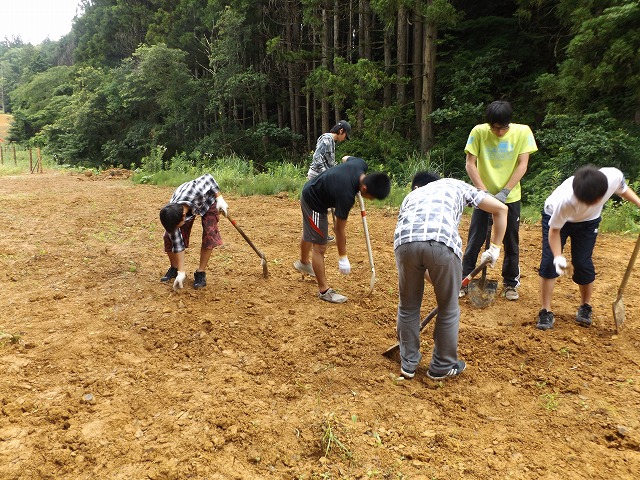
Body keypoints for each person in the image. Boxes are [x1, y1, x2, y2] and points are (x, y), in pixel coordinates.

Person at [394, 172, 507, 380]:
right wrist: (495, 248)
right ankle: (441, 367)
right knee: (448, 308)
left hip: (405, 244)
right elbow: (501, 209)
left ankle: (408, 363)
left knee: (408, 306)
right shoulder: (455, 184)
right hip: (442, 243)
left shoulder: (410, 197)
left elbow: (420, 254)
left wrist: (442, 280)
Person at [536, 165, 640, 330]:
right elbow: (554, 231)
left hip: (588, 223)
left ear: (601, 195)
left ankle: (585, 307)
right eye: (581, 200)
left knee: (583, 263)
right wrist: (558, 257)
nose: (583, 204)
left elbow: (623, 189)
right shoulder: (566, 202)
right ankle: (545, 310)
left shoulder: (613, 177)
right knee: (549, 263)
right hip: (556, 219)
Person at [461, 100, 538, 301]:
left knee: (511, 241)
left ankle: (511, 283)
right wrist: (483, 191)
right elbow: (470, 164)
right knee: (475, 239)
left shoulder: (522, 132)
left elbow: (522, 165)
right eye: (496, 128)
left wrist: (505, 191)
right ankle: (464, 280)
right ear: (489, 124)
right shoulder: (478, 132)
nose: (500, 132)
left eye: (504, 128)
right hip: (483, 197)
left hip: (510, 197)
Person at [294, 156, 390, 303]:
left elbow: (345, 158)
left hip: (317, 189)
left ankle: (303, 263)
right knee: (319, 246)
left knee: (312, 232)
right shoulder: (346, 196)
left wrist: (338, 176)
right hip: (313, 201)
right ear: (364, 188)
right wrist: (343, 257)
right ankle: (324, 291)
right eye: (371, 198)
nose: (370, 200)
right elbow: (338, 229)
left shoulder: (360, 164)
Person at [159, 173, 229, 291]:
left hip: (208, 201)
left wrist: (219, 198)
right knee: (168, 237)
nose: (176, 229)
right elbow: (177, 243)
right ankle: (175, 268)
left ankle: (200, 273)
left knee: (209, 234)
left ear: (183, 216)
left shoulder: (196, 191)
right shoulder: (171, 214)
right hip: (189, 206)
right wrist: (181, 272)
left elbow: (209, 178)